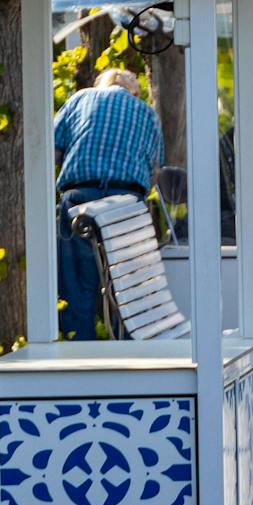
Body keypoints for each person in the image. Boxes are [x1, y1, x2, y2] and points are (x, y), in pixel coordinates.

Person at [54, 69, 163, 340]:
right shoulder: (146, 112)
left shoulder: (79, 99)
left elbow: (52, 150)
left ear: (99, 85)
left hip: (80, 197)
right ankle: (127, 352)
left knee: (77, 283)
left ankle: (79, 357)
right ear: (134, 92)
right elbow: (155, 172)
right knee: (127, 286)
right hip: (126, 201)